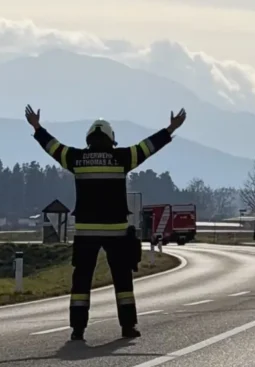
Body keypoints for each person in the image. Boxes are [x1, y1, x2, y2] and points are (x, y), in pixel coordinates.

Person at [25, 104, 186, 341]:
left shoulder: (77, 159)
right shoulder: (122, 158)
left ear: (89, 139)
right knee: (122, 282)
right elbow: (148, 147)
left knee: (81, 282)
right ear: (111, 139)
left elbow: (53, 148)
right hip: (117, 232)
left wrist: (37, 127)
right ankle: (128, 327)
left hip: (85, 233)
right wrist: (170, 128)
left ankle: (78, 329)